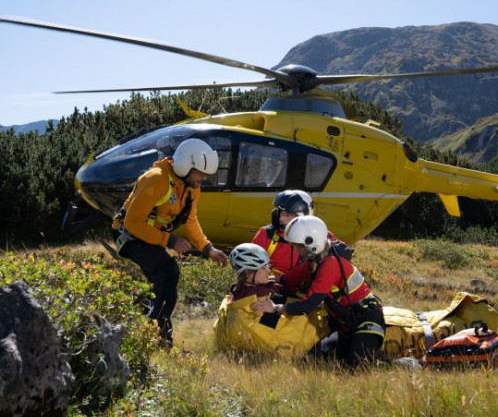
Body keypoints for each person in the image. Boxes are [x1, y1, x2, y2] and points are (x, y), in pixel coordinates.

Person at [113, 138, 228, 346]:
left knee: (164, 278)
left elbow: (190, 219)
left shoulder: (191, 186)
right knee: (167, 271)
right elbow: (133, 223)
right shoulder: (156, 179)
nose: (203, 178)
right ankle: (154, 333)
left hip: (150, 236)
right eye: (200, 173)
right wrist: (170, 240)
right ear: (186, 165)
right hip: (129, 235)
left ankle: (143, 324)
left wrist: (208, 248)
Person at [252, 215, 385, 368]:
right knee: (311, 361)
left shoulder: (330, 265)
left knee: (355, 368)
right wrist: (267, 280)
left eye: (297, 246)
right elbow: (291, 278)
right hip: (345, 325)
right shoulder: (314, 261)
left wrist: (275, 308)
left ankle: (399, 364)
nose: (296, 251)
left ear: (311, 244)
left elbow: (308, 305)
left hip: (367, 320)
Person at [252, 190, 351, 284]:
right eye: (280, 213)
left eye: (287, 214)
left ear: (302, 216)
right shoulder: (266, 234)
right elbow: (251, 266)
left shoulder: (321, 235)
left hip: (306, 289)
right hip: (273, 286)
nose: (281, 218)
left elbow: (342, 257)